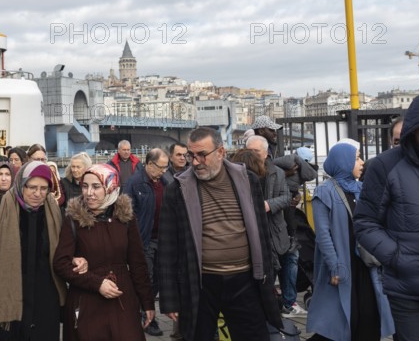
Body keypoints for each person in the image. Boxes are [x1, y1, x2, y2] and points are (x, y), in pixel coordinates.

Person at [158, 127, 282, 341]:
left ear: (221, 152)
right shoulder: (177, 189)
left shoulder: (247, 180)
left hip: (245, 281)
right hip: (200, 283)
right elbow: (168, 246)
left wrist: (268, 281)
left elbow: (262, 234)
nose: (195, 162)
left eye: (202, 155)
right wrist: (170, 300)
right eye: (191, 155)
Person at [354, 93, 419, 341]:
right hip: (407, 289)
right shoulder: (384, 166)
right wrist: (397, 257)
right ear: (415, 130)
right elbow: (365, 223)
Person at [0, 161, 88, 340]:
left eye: (43, 188)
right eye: (32, 187)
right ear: (21, 183)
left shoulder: (54, 211)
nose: (37, 193)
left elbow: (65, 249)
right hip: (5, 298)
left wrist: (77, 258)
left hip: (44, 301)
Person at [53, 164, 155, 341]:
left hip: (122, 301)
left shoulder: (125, 217)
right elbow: (61, 264)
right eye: (85, 186)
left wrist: (147, 302)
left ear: (110, 186)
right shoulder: (73, 219)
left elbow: (138, 263)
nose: (89, 193)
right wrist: (97, 283)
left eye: (96, 186)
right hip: (87, 303)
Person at [307, 143, 394, 341]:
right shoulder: (324, 192)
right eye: (356, 158)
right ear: (343, 162)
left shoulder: (362, 189)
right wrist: (335, 267)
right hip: (342, 266)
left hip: (366, 265)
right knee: (340, 321)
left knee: (370, 316)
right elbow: (323, 235)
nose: (362, 162)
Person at [246, 136, 307, 317]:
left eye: (256, 151)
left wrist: (268, 204)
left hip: (273, 230)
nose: (252, 155)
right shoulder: (241, 172)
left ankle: (276, 309)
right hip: (250, 231)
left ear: (265, 154)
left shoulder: (277, 172)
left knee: (277, 267)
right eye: (249, 151)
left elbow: (286, 198)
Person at [124, 148, 170, 337]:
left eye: (166, 168)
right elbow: (125, 213)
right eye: (161, 167)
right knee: (147, 279)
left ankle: (145, 311)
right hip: (145, 240)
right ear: (150, 164)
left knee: (159, 278)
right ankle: (147, 317)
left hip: (164, 239)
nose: (163, 171)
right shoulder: (134, 183)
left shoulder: (166, 182)